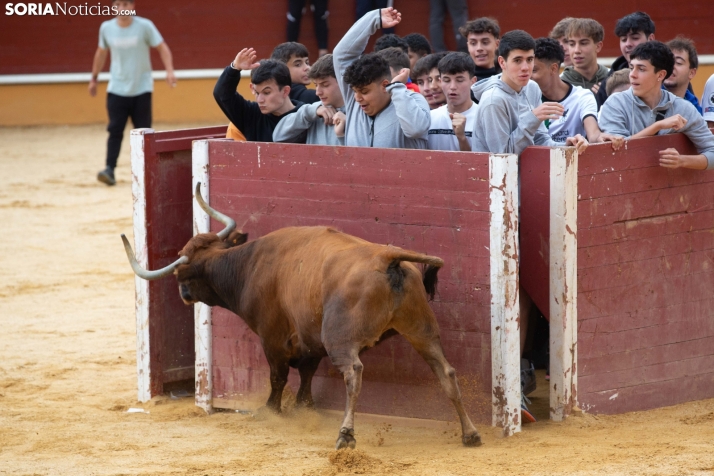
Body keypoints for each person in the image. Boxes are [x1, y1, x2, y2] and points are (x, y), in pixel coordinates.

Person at [90, 0, 175, 186]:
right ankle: (109, 169)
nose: (123, 8)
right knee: (115, 130)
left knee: (144, 132)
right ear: (114, 7)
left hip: (141, 88)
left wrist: (169, 71)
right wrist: (94, 78)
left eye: (127, 4)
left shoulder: (145, 26)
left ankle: (146, 173)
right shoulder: (106, 28)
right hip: (117, 88)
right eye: (119, 4)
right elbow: (101, 53)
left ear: (133, 6)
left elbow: (162, 47)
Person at [470, 30, 588, 156]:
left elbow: (540, 139)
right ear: (502, 62)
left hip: (528, 173)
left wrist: (565, 146)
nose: (525, 67)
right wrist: (532, 118)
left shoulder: (532, 87)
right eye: (517, 60)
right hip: (493, 174)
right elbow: (503, 157)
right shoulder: (493, 100)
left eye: (530, 59)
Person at [599, 41, 714, 170]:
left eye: (641, 69)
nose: (632, 74)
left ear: (661, 75)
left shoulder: (683, 108)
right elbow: (616, 151)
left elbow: (712, 151)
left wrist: (682, 160)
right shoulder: (615, 103)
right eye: (632, 67)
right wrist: (658, 125)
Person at [334, 7, 430, 148]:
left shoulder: (413, 100)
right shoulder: (355, 102)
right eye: (355, 91)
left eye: (365, 91)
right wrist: (374, 18)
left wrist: (397, 89)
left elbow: (416, 129)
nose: (357, 98)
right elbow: (341, 55)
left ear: (385, 85)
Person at [532, 37, 622, 147]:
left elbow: (593, 133)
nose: (528, 76)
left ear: (553, 69)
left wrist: (599, 137)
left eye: (534, 70)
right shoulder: (524, 97)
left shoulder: (582, 97)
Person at [213, 49, 303, 142]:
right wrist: (234, 68)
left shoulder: (305, 116)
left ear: (285, 91)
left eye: (267, 92)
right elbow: (222, 94)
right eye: (257, 92)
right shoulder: (252, 115)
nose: (259, 100)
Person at [273, 54, 345, 145]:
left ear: (343, 82)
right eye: (316, 85)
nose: (318, 92)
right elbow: (278, 137)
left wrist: (341, 135)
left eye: (325, 85)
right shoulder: (314, 112)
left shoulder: (358, 113)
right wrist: (310, 112)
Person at [595, 11, 655, 108]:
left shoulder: (668, 76)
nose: (628, 44)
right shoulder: (608, 81)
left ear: (651, 39)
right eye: (623, 39)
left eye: (635, 38)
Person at [427, 52, 477, 152]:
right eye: (447, 80)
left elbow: (484, 164)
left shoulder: (483, 118)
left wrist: (462, 138)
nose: (452, 86)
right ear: (441, 82)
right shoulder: (429, 118)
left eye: (459, 80)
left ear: (473, 81)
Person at [561, 18, 609, 93]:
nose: (577, 50)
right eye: (572, 44)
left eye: (583, 43)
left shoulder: (612, 80)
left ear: (598, 46)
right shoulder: (560, 83)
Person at [664, 37, 702, 114]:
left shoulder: (696, 112)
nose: (671, 66)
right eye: (667, 61)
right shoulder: (648, 99)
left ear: (691, 73)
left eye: (678, 63)